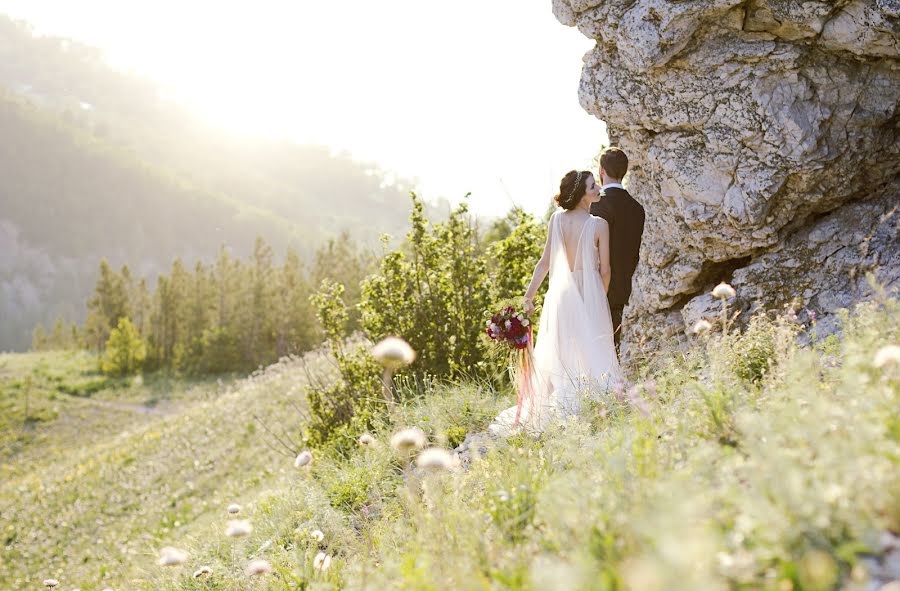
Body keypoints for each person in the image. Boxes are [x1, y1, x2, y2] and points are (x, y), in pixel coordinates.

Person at [490, 169, 623, 435]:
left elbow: (545, 263)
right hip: (590, 291)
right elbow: (605, 270)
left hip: (561, 294)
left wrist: (528, 297)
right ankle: (596, 402)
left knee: (563, 347)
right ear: (581, 194)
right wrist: (600, 296)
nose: (598, 188)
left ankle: (564, 400)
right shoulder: (599, 225)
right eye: (592, 186)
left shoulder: (557, 220)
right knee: (593, 346)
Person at [589, 147, 645, 351]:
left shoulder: (595, 206)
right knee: (612, 348)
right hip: (623, 288)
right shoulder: (637, 209)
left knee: (591, 349)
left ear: (601, 171)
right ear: (625, 171)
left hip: (594, 285)